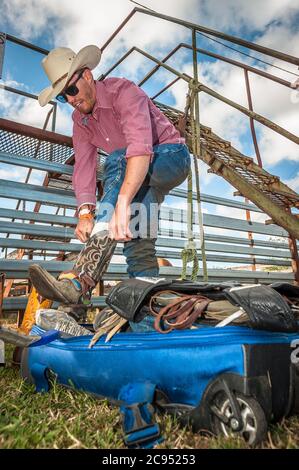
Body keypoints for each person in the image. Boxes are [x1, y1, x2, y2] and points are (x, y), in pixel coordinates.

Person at [29, 45, 191, 319]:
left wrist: (119, 203)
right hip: (140, 178)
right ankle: (143, 316)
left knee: (117, 159)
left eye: (72, 90)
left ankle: (80, 279)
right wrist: (84, 212)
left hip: (170, 157)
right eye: (62, 97)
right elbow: (83, 165)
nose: (71, 100)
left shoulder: (124, 92)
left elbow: (139, 148)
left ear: (88, 76)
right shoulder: (79, 120)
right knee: (138, 239)